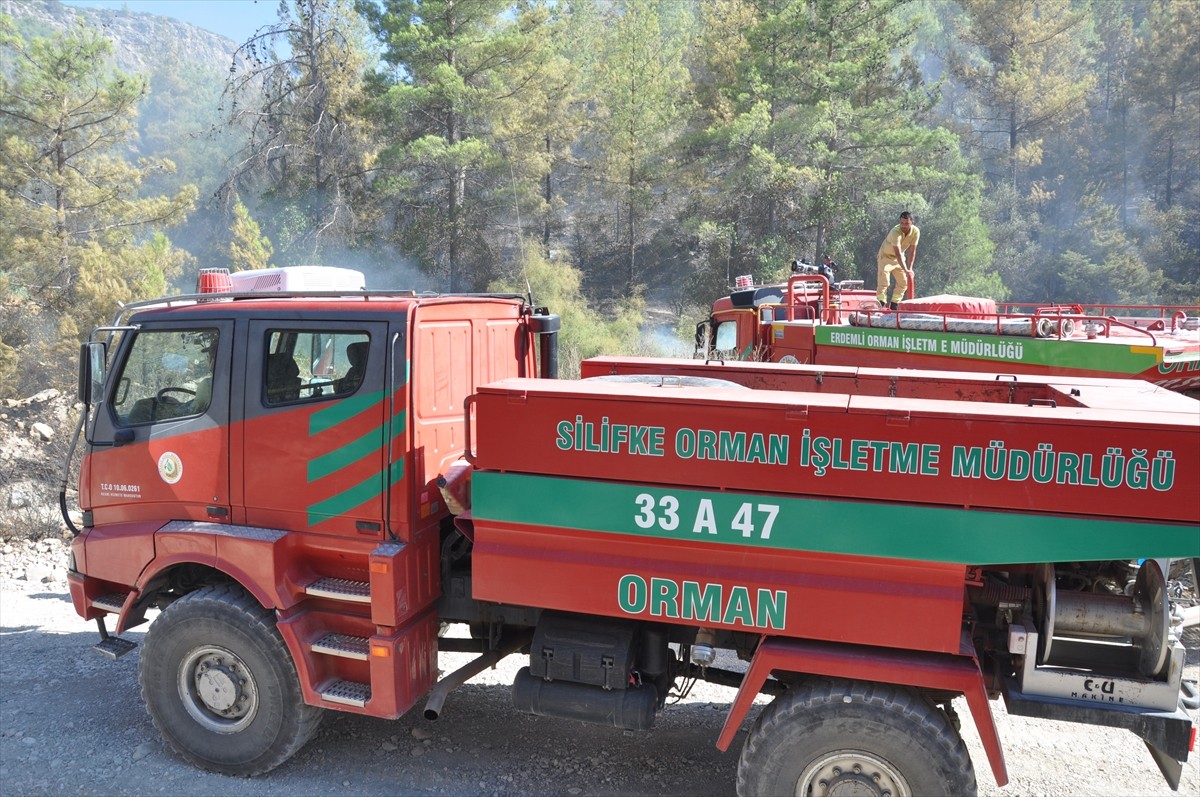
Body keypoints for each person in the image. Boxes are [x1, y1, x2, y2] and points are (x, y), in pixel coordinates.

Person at [876, 211, 919, 309]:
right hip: (885, 257)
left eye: (906, 223)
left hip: (899, 260)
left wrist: (910, 268)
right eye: (902, 223)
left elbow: (912, 251)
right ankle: (881, 303)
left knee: (904, 282)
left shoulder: (916, 232)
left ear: (912, 222)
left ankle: (894, 304)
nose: (904, 226)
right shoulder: (895, 232)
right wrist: (906, 269)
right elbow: (898, 253)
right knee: (884, 282)